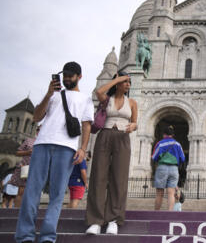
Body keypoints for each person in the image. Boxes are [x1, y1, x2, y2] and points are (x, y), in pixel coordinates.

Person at [15, 62, 94, 243]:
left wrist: (83, 148)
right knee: (32, 191)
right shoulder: (53, 96)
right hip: (42, 144)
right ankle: (25, 235)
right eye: (65, 75)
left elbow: (86, 125)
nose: (67, 78)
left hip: (66, 148)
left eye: (71, 76)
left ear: (79, 77)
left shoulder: (85, 99)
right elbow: (36, 117)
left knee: (57, 194)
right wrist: (49, 93)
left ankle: (48, 237)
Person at [85, 71, 138, 235]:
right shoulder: (107, 99)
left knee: (119, 178)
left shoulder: (132, 102)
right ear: (117, 82)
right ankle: (95, 221)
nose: (128, 84)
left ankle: (113, 220)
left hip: (122, 138)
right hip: (105, 135)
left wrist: (133, 126)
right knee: (98, 176)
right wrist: (117, 79)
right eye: (125, 81)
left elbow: (135, 122)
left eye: (129, 82)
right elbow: (99, 92)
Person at [152, 126, 185, 211]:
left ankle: (156, 213)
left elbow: (154, 157)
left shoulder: (160, 143)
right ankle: (169, 214)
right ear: (172, 135)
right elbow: (183, 158)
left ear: (164, 135)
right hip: (174, 169)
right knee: (171, 193)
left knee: (159, 193)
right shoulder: (177, 144)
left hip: (162, 167)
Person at [10, 127, 38, 208]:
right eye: (39, 129)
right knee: (21, 192)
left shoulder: (47, 143)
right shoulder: (29, 140)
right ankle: (16, 212)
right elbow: (17, 152)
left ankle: (29, 212)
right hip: (26, 168)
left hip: (39, 169)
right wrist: (28, 152)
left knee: (34, 192)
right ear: (36, 131)